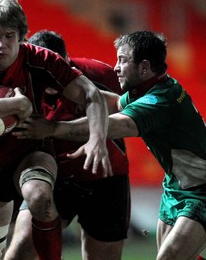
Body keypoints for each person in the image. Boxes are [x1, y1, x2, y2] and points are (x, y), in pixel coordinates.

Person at [14, 30, 206, 260]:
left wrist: (52, 128)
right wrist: (73, 87)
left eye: (122, 60)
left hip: (201, 191)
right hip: (176, 187)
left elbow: (116, 124)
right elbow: (115, 103)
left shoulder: (158, 101)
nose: (115, 67)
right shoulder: (149, 89)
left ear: (144, 68)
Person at [0, 0, 111, 259]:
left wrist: (97, 140)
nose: (1, 44)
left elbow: (93, 95)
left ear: (21, 36)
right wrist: (17, 107)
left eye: (10, 36)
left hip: (30, 152)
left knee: (41, 198)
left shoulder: (42, 59)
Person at [5, 30, 130, 260]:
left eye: (58, 69)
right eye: (45, 71)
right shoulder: (16, 85)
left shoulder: (98, 74)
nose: (52, 78)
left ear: (68, 61)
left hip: (106, 177)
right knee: (18, 254)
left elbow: (132, 115)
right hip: (54, 178)